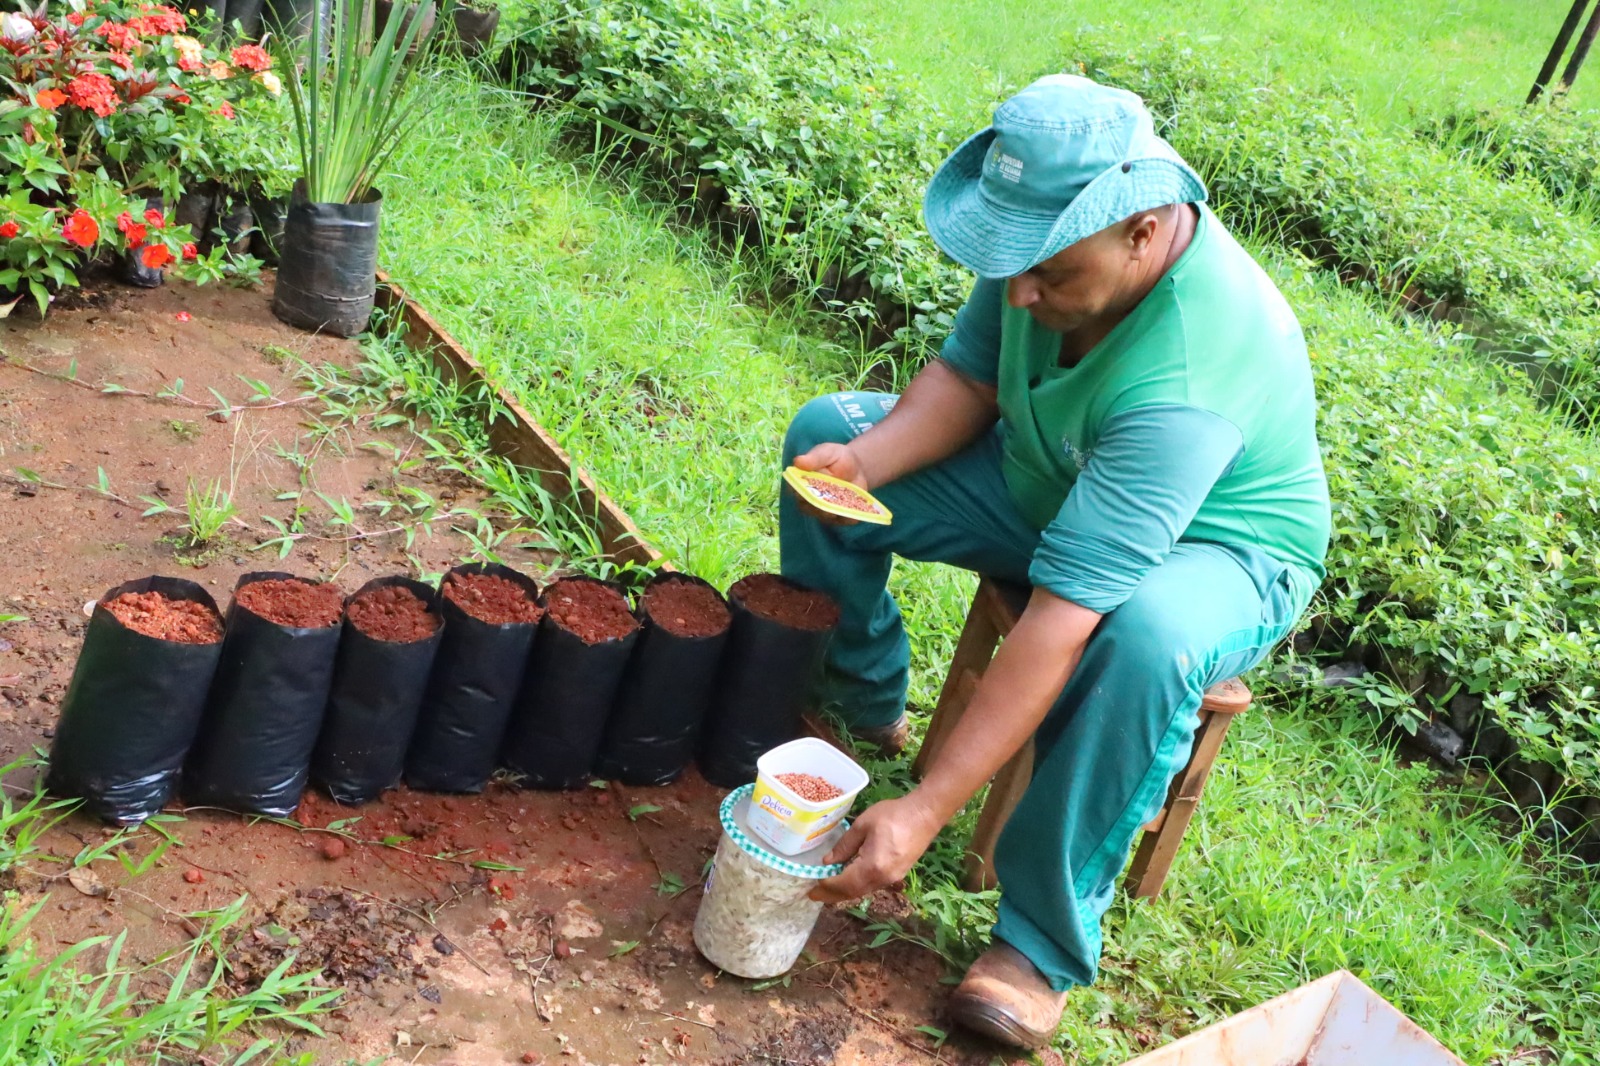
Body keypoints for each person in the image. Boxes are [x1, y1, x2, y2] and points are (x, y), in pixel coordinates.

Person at [779, 74, 1331, 1048]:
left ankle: (1037, 944)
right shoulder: (1045, 250)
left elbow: (1061, 618)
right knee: (829, 433)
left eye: (1048, 277)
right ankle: (858, 697)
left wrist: (926, 811)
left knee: (1144, 637)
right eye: (1012, 267)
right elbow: (968, 376)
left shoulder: (1192, 373)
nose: (1021, 294)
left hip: (1221, 544)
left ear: (1144, 230)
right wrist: (863, 461)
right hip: (1055, 476)